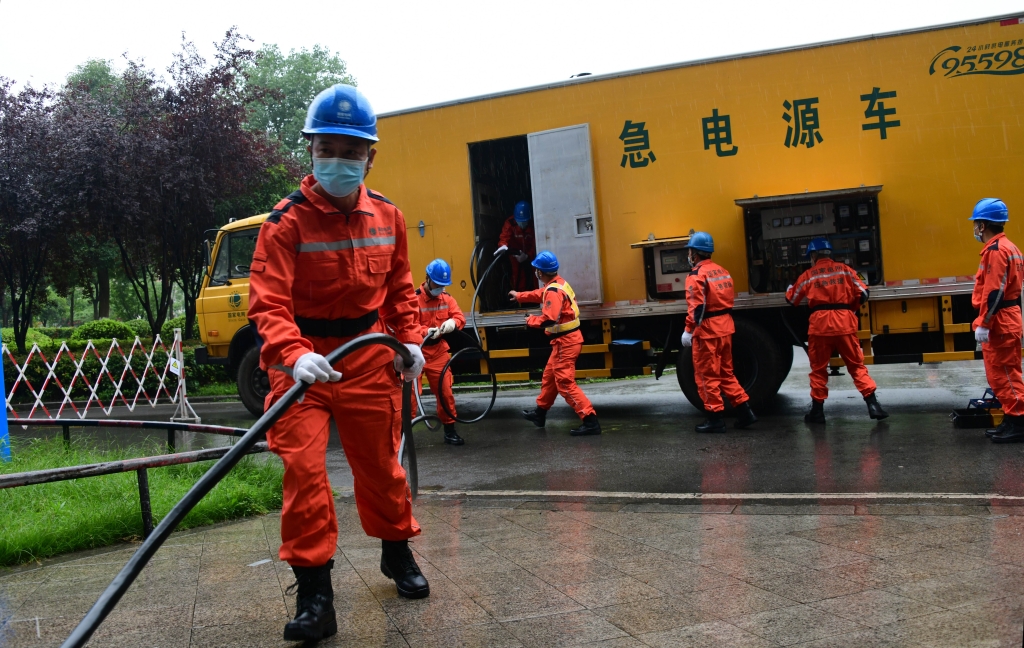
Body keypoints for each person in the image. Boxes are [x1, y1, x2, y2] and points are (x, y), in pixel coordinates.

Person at [247, 84, 429, 642]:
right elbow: (267, 302)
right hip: (301, 365)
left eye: (352, 152)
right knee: (304, 475)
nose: (340, 161)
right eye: (329, 148)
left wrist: (410, 341)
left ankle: (396, 554)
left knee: (380, 466)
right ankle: (315, 596)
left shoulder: (389, 217)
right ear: (311, 151)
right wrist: (293, 352)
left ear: (369, 157)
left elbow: (399, 287)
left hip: (368, 357)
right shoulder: (285, 223)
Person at [786, 237, 887, 423]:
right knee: (856, 366)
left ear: (814, 255)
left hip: (820, 326)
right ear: (830, 253)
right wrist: (849, 308)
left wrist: (790, 286)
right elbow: (864, 293)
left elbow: (792, 299)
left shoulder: (809, 275)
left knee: (818, 370)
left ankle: (817, 412)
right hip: (844, 323)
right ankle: (873, 405)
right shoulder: (846, 271)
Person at [510, 250, 601, 435]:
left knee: (565, 383)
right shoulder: (559, 284)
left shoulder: (553, 291)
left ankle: (590, 420)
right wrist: (520, 296)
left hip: (565, 342)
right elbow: (539, 294)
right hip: (567, 340)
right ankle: (540, 413)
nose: (535, 272)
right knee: (550, 378)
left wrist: (530, 320)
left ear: (540, 272)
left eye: (536, 269)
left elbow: (549, 319)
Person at [679, 232, 758, 433]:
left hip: (707, 332)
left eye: (690, 251)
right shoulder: (722, 271)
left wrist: (688, 330)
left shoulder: (696, 275)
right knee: (726, 373)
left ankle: (714, 419)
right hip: (725, 328)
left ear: (695, 253)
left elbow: (697, 307)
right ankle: (745, 412)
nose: (689, 255)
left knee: (706, 376)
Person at [967, 199, 1024, 444]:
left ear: (983, 224)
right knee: (1004, 372)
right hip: (1006, 318)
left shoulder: (996, 251)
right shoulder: (1009, 247)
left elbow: (994, 292)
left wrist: (984, 323)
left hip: (1000, 320)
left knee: (1005, 374)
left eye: (977, 224)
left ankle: (1019, 421)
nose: (975, 229)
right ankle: (1012, 419)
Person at [415, 258, 467, 445]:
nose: (441, 288)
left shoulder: (447, 298)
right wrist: (424, 332)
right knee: (411, 397)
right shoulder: (414, 300)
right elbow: (407, 326)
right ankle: (402, 436)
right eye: (438, 283)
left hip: (438, 352)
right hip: (417, 352)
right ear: (427, 278)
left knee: (445, 392)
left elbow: (459, 317)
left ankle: (449, 430)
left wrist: (453, 323)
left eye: (444, 285)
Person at [495, 200, 537, 292]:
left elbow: (536, 244)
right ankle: (519, 298)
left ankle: (538, 295)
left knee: (537, 273)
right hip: (515, 255)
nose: (522, 224)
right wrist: (503, 247)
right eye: (519, 221)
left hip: (532, 255)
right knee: (517, 274)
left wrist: (528, 255)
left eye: (524, 221)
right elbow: (504, 238)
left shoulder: (535, 225)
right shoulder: (510, 223)